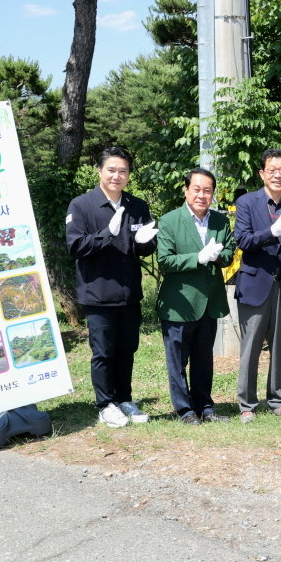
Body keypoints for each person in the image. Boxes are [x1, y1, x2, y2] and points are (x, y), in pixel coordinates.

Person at [66, 146, 158, 428]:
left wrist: (145, 241)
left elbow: (147, 247)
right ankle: (106, 403)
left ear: (129, 174)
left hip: (129, 293)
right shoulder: (82, 205)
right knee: (104, 351)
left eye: (123, 171)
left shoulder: (137, 206)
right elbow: (76, 246)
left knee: (127, 348)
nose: (117, 176)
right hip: (98, 293)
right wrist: (108, 234)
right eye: (111, 170)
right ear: (100, 171)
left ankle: (124, 398)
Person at [234, 148, 281, 423]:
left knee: (280, 347)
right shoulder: (246, 202)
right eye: (272, 169)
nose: (277, 175)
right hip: (256, 283)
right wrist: (271, 233)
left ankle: (277, 399)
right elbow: (242, 240)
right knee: (251, 346)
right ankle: (246, 403)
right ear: (262, 173)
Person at [155, 168, 235, 425]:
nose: (202, 195)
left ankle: (205, 405)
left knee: (203, 359)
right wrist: (198, 258)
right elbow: (165, 261)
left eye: (207, 190)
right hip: (179, 303)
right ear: (186, 190)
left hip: (209, 301)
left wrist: (219, 255)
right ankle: (184, 409)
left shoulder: (220, 222)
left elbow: (229, 251)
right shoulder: (169, 220)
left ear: (213, 194)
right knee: (177, 360)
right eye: (197, 189)